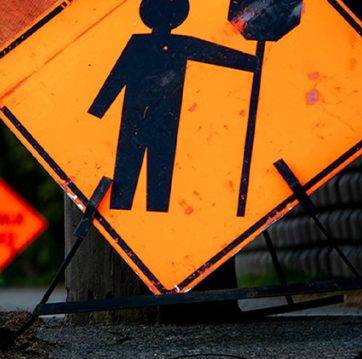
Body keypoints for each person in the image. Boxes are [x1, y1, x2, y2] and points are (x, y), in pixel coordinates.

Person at [88, 0, 257, 212]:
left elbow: (214, 53)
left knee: (147, 168)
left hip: (154, 117)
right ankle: (133, 209)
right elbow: (117, 76)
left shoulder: (146, 43)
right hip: (149, 117)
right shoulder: (167, 43)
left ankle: (143, 210)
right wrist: (97, 109)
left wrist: (253, 63)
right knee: (145, 168)